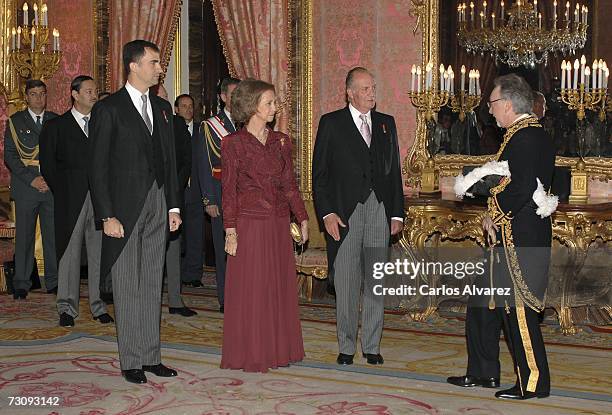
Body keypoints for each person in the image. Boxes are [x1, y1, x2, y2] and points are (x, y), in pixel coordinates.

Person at [447, 74, 555, 400]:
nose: (490, 111)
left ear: (507, 104)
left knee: (517, 310)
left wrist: (495, 212)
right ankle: (482, 372)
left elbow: (522, 186)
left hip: (519, 238)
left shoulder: (528, 137)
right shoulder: (517, 135)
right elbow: (507, 181)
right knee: (482, 303)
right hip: (503, 237)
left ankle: (533, 382)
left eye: (492, 104)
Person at [88, 40, 181, 384]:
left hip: (158, 202)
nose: (160, 68)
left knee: (152, 282)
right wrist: (106, 215)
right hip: (124, 209)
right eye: (154, 62)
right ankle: (131, 360)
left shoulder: (162, 107)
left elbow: (169, 161)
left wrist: (173, 204)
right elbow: (96, 168)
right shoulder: (108, 108)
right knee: (127, 284)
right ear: (134, 65)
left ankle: (151, 355)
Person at [312, 67, 404, 366]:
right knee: (348, 280)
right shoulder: (331, 124)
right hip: (343, 213)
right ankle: (347, 345)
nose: (372, 93)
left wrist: (397, 213)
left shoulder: (386, 124)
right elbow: (320, 176)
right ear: (350, 92)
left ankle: (373, 345)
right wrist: (326, 213)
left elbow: (394, 174)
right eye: (366, 89)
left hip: (379, 209)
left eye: (373, 88)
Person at [220, 79, 308, 372]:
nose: (274, 107)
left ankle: (279, 350)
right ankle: (252, 352)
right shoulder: (232, 143)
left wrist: (302, 217)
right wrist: (230, 230)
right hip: (249, 225)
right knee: (253, 291)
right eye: (269, 103)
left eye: (274, 102)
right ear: (251, 106)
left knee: (277, 289)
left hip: (278, 222)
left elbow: (289, 185)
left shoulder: (281, 140)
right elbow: (228, 190)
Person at [39, 75, 113, 327]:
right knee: (69, 254)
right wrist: (65, 191)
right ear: (75, 94)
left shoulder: (104, 124)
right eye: (89, 91)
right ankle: (67, 308)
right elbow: (48, 165)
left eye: (95, 91)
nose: (94, 95)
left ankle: (98, 305)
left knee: (98, 253)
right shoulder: (56, 126)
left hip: (100, 199)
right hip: (70, 200)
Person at [4, 79, 58, 299]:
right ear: (26, 97)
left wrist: (48, 178)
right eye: (34, 94)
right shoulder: (16, 121)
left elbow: (61, 155)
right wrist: (32, 180)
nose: (38, 98)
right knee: (25, 237)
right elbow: (10, 155)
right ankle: (21, 283)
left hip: (51, 186)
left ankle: (54, 282)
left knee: (52, 237)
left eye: (42, 94)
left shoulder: (56, 120)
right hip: (27, 187)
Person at [153, 85, 198, 316]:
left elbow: (185, 161)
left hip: (171, 195)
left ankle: (175, 301)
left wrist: (173, 189)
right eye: (160, 96)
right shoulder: (138, 120)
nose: (163, 100)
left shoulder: (177, 123)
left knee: (173, 247)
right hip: (145, 196)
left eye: (165, 97)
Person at [198, 77, 240, 312]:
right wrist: (209, 200)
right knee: (226, 249)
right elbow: (205, 165)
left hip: (248, 198)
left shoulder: (250, 122)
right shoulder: (211, 125)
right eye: (234, 94)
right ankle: (226, 298)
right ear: (223, 97)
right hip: (221, 196)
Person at [174, 93, 205, 289]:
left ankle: (193, 274)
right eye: (183, 106)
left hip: (196, 191)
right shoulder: (170, 130)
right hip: (177, 191)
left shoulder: (202, 131)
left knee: (195, 234)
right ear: (176, 109)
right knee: (176, 236)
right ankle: (175, 273)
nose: (188, 109)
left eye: (190, 106)